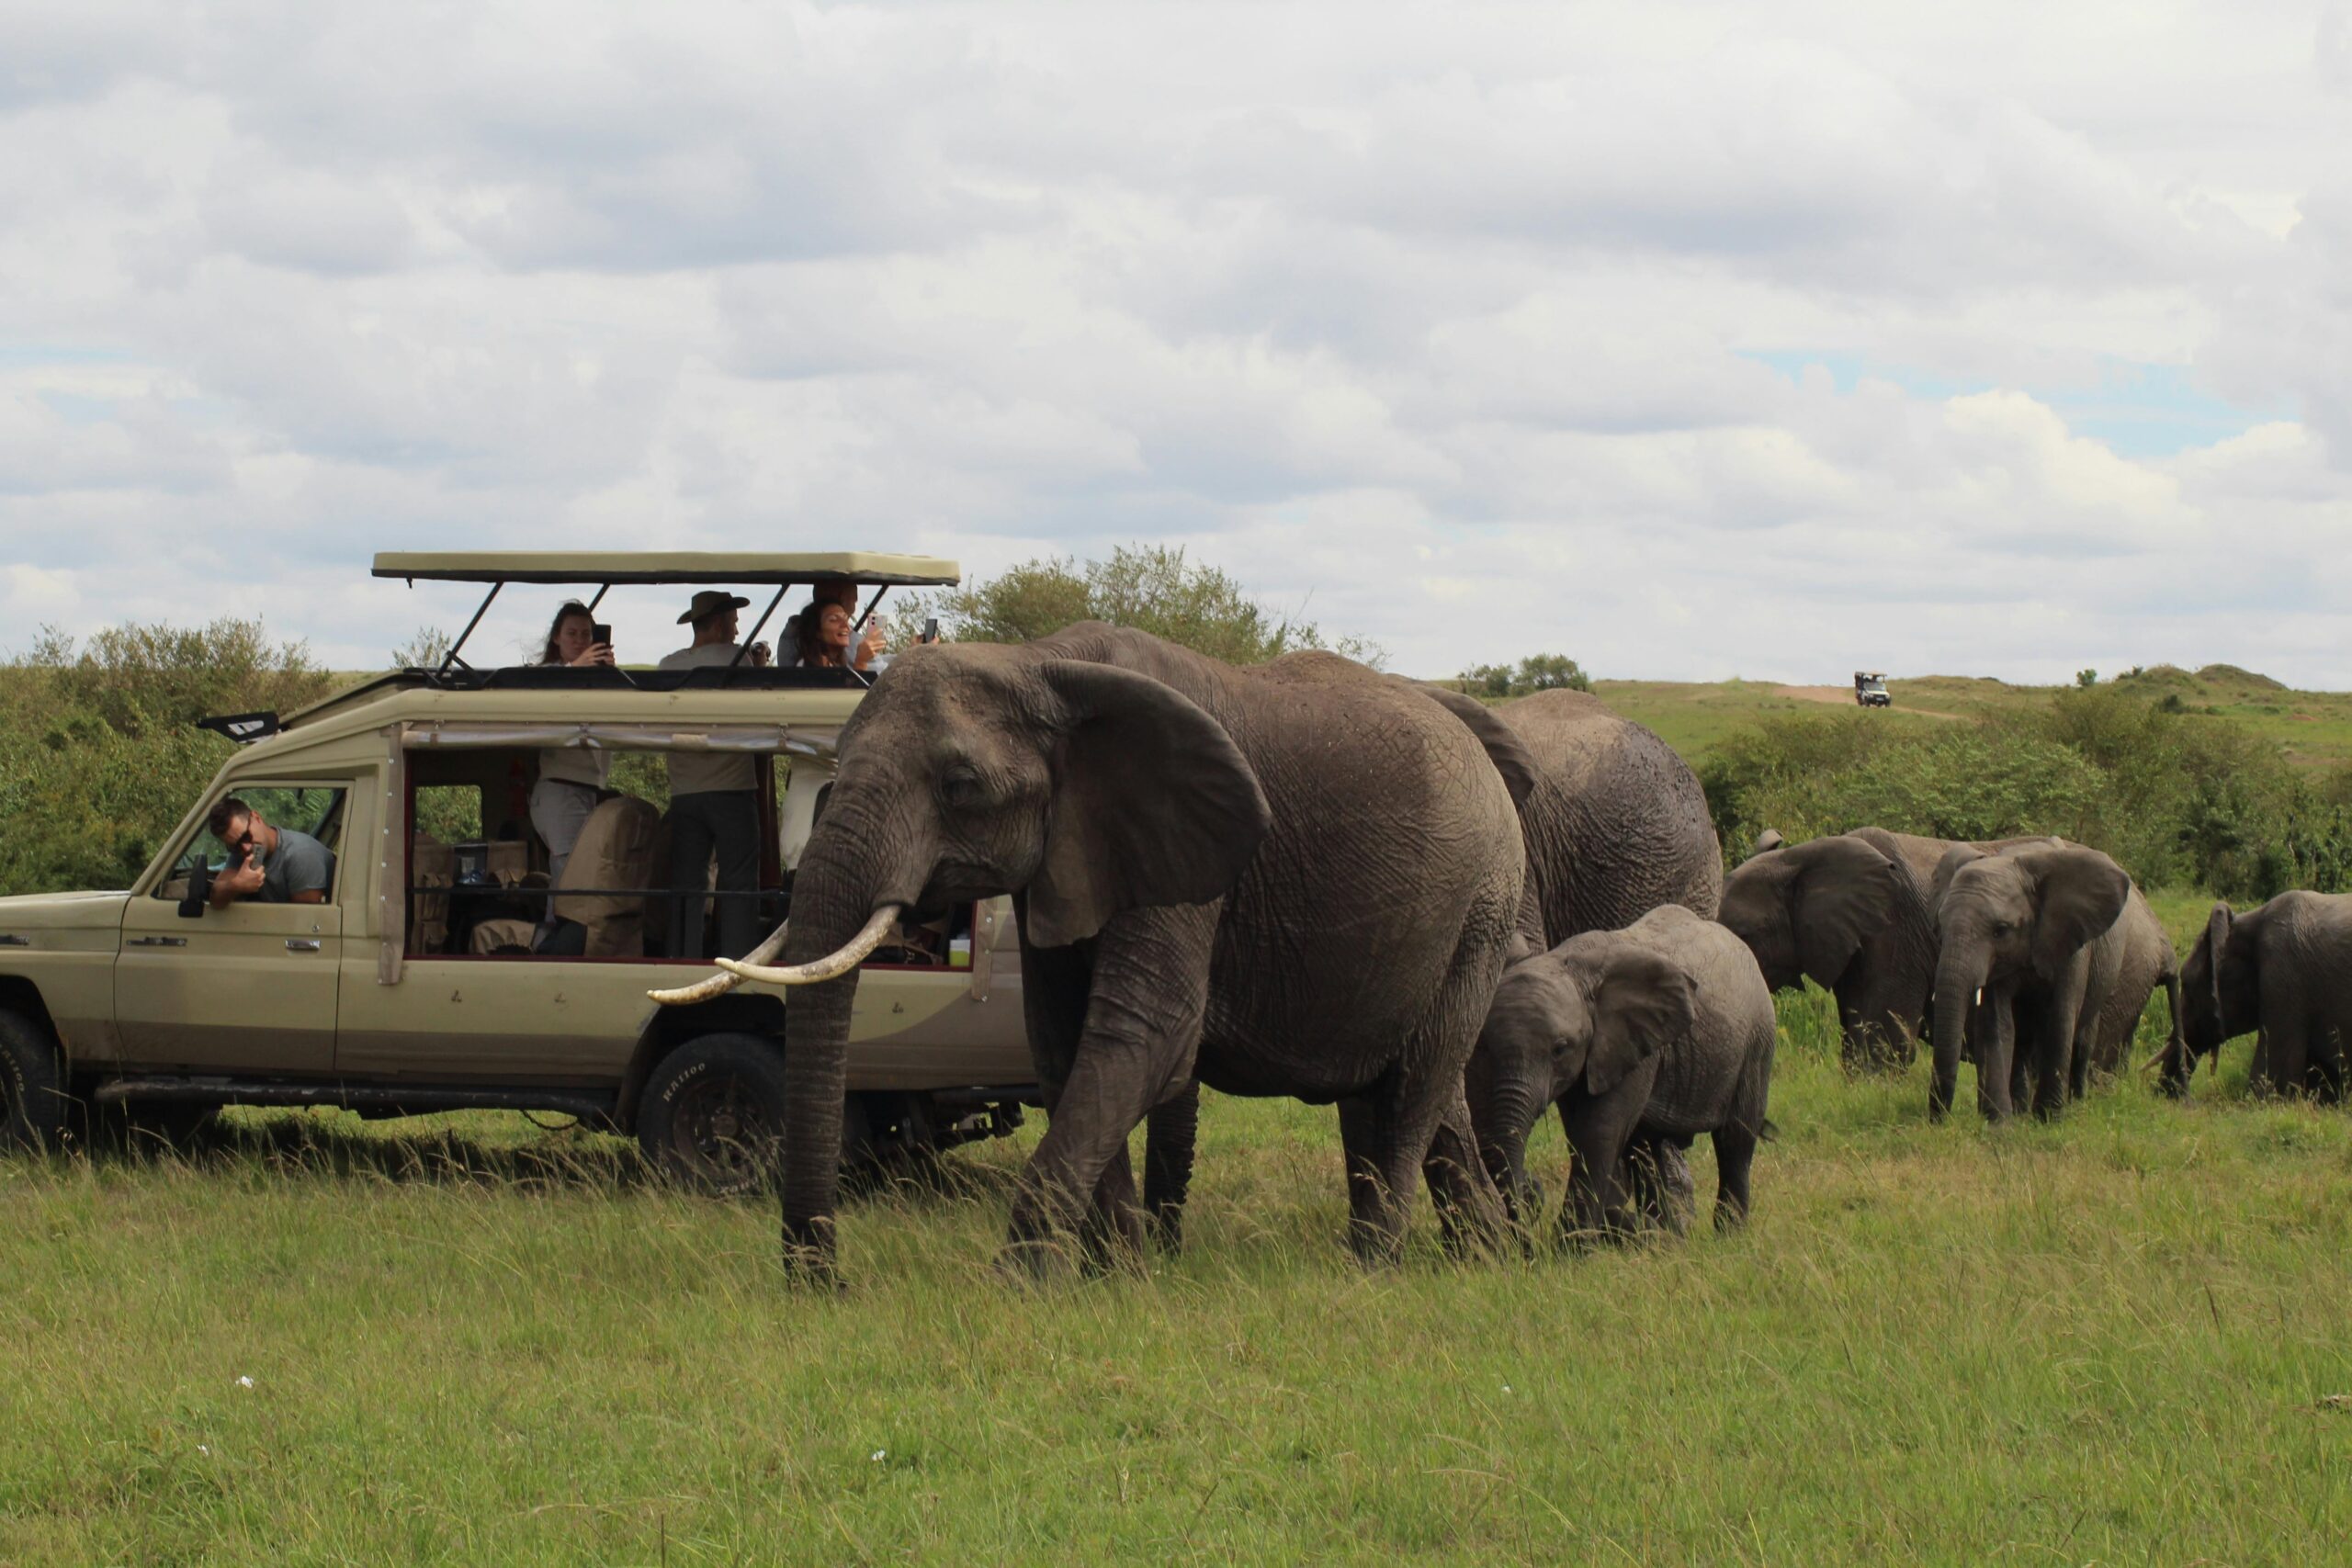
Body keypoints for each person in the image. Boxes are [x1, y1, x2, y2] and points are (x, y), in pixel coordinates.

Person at [656, 591, 768, 959]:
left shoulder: (668, 665)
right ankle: (739, 961)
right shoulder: (737, 660)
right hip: (732, 787)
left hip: (684, 791)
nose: (737, 630)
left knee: (687, 884)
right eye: (734, 622)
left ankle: (683, 957)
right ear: (719, 623)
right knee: (738, 882)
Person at [532, 602, 616, 891]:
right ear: (557, 638)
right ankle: (561, 935)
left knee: (582, 878)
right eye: (572, 634)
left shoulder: (596, 680)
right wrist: (574, 670)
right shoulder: (547, 676)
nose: (580, 641)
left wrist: (611, 678)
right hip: (560, 789)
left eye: (586, 634)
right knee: (570, 882)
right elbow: (539, 706)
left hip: (588, 789)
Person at [207, 797, 335, 908]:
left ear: (257, 818)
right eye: (234, 847)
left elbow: (306, 924)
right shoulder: (243, 853)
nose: (245, 848)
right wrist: (236, 885)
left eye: (246, 836)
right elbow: (216, 900)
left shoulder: (301, 854)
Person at [795, 600, 854, 668]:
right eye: (833, 620)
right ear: (817, 632)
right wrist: (861, 662)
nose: (846, 626)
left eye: (846, 619)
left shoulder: (839, 663)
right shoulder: (806, 666)